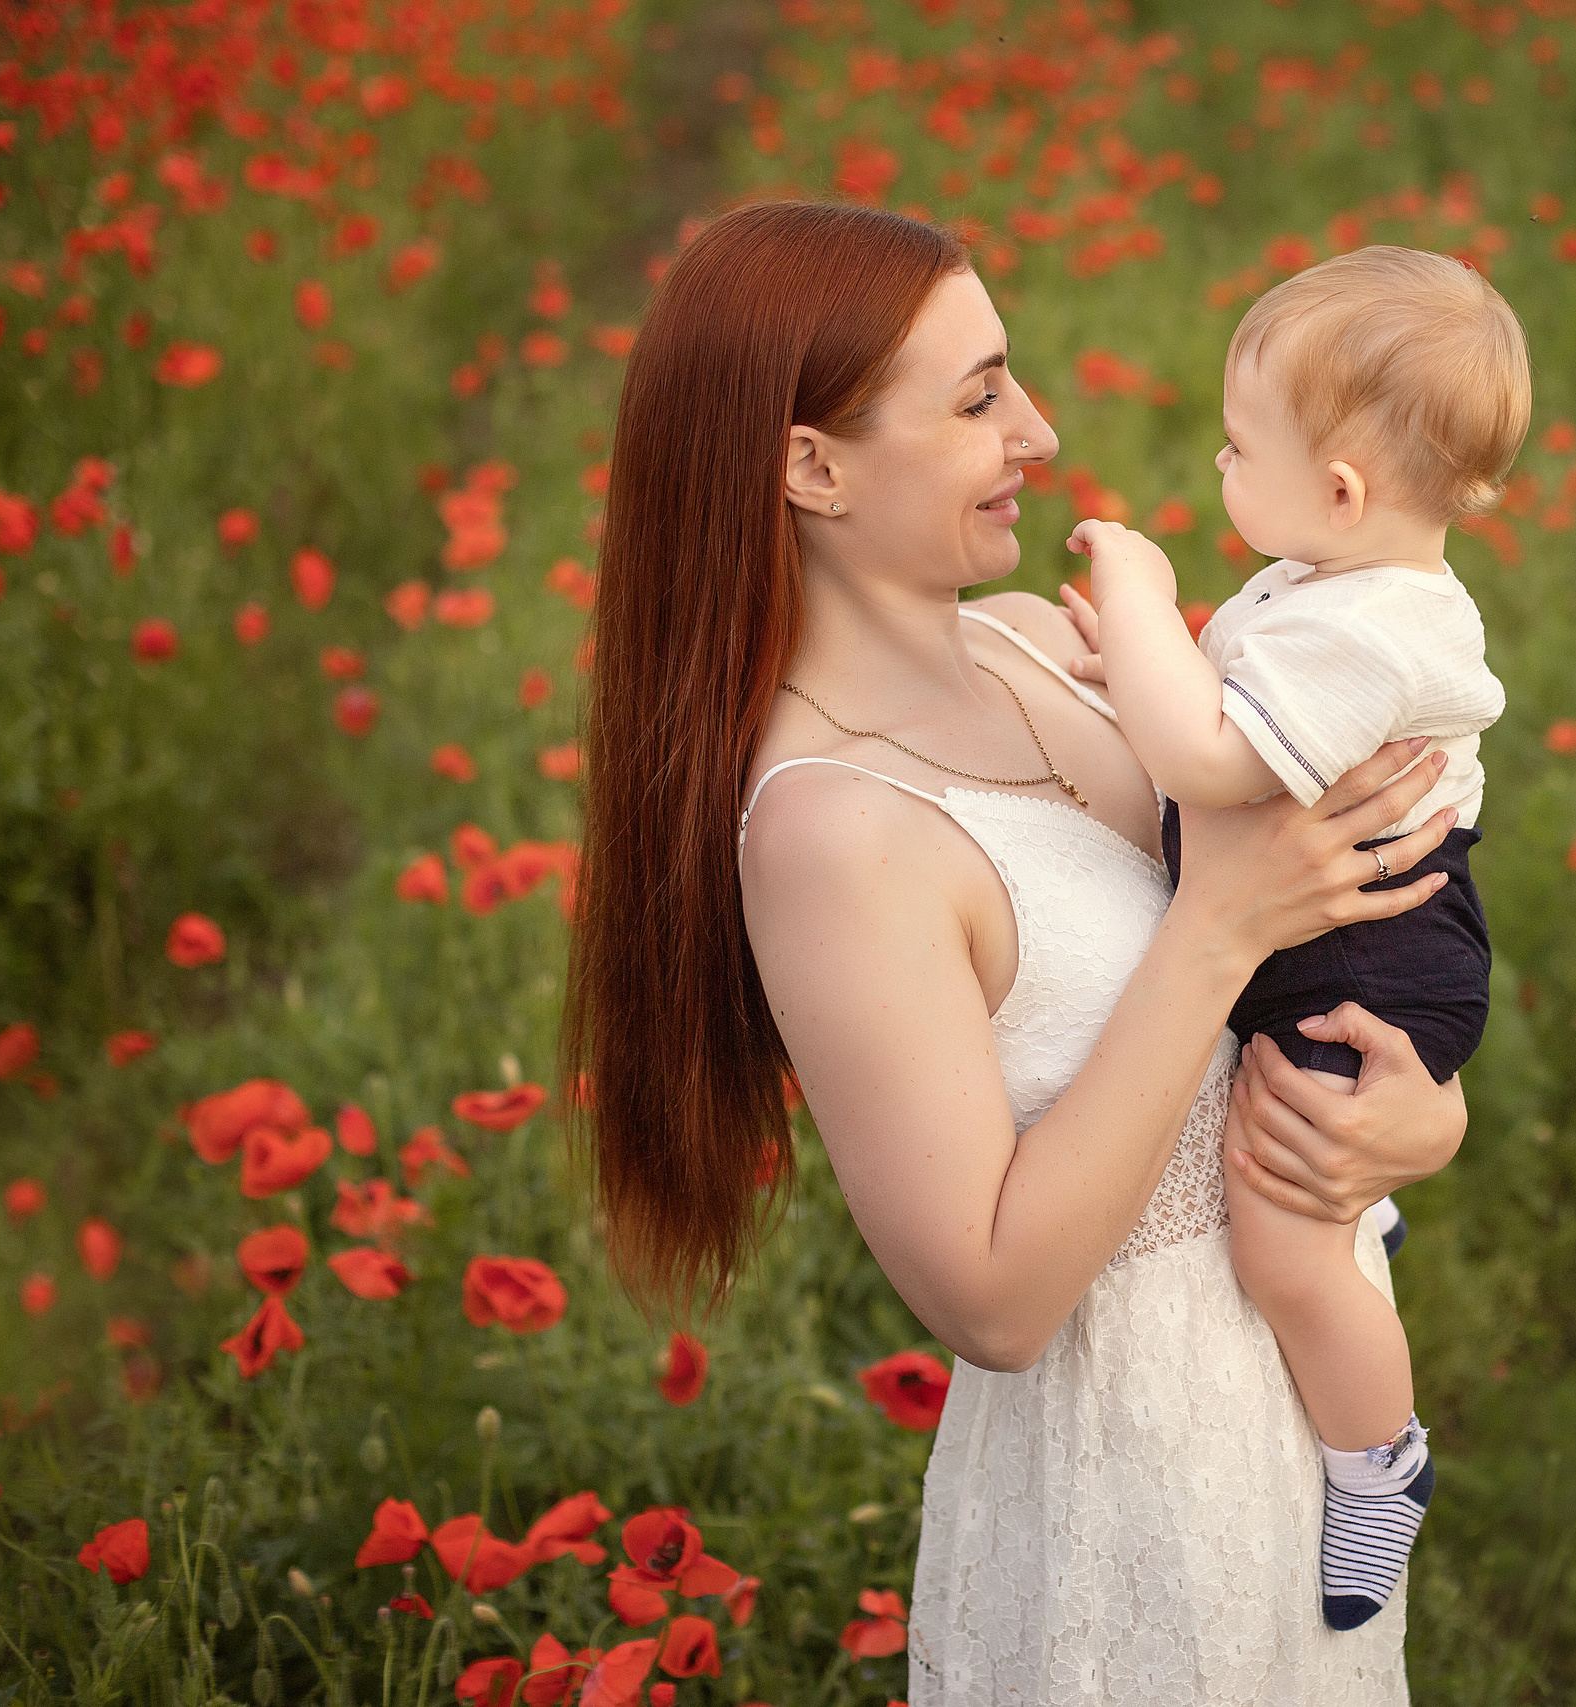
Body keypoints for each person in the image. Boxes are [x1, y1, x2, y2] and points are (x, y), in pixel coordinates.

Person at [560, 198, 1469, 1706]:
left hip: (1294, 1418)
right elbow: (990, 1299)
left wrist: (1415, 1121)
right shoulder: (831, 831)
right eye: (980, 398)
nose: (1040, 431)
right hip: (1135, 1486)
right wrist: (1220, 921)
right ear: (811, 465)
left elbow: (1298, 1005)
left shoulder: (1046, 651)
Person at [1054, 245, 1526, 1628]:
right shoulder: (1331, 583)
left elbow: (1208, 762)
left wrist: (1145, 601)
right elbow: (1226, 706)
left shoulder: (1380, 630)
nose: (1214, 462)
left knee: (1283, 1242)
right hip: (1321, 936)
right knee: (1294, 1202)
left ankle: (1379, 1461)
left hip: (1371, 968)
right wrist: (1136, 665)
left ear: (1338, 491)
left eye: (1237, 444)